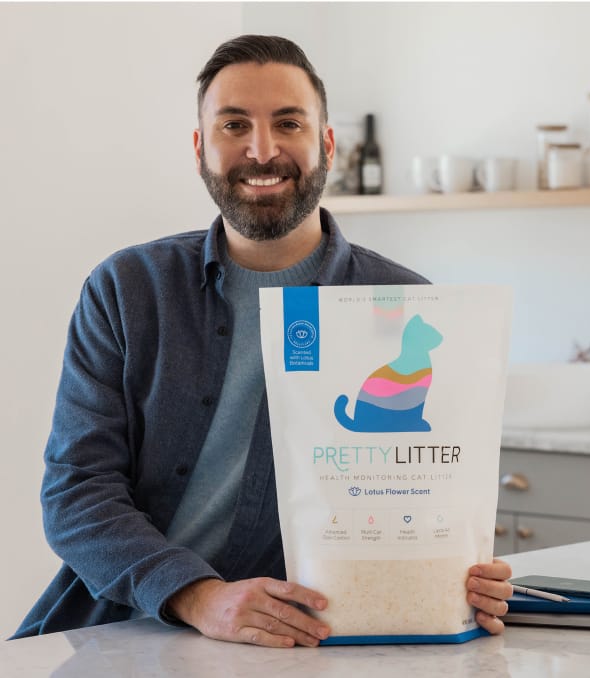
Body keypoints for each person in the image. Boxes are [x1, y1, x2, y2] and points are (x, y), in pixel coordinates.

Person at [12, 34, 512, 647]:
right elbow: (77, 493)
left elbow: (424, 487)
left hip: (294, 643)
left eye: (288, 123)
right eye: (233, 125)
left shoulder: (405, 303)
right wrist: (200, 598)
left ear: (326, 144)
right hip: (116, 627)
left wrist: (458, 578)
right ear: (200, 149)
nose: (263, 149)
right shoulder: (126, 289)